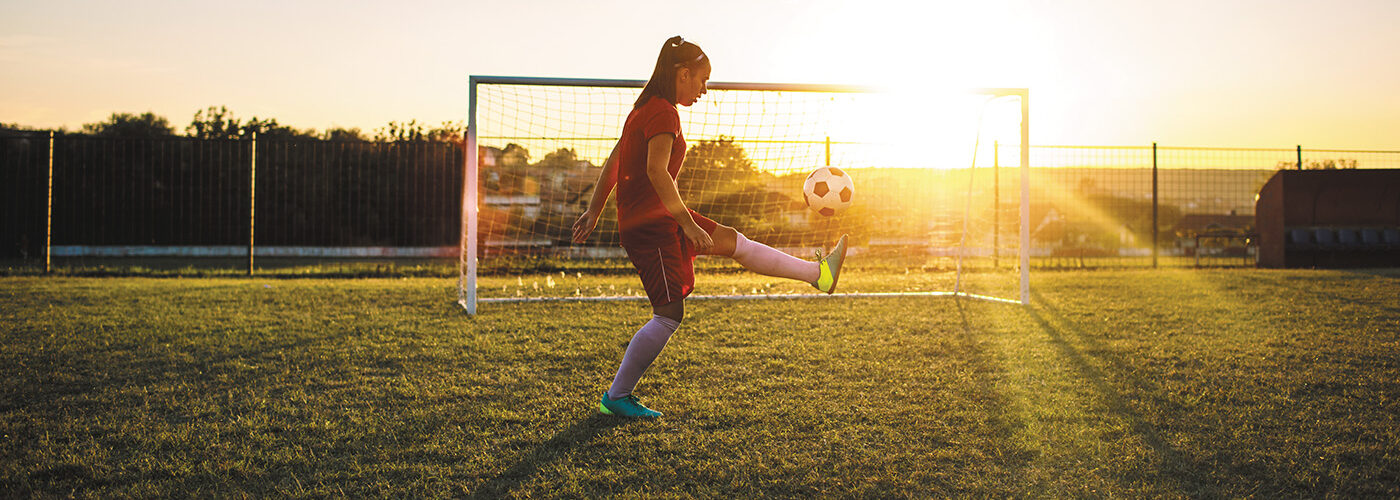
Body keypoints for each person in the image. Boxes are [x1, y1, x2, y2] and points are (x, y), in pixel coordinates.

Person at [571, 36, 848, 418]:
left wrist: (595, 210)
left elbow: (614, 161)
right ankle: (616, 397)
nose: (704, 89)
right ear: (683, 74)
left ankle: (819, 274)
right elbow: (654, 171)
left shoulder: (643, 109)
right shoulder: (663, 113)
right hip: (652, 226)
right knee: (668, 314)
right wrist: (685, 223)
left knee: (738, 243)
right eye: (702, 80)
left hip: (658, 217)